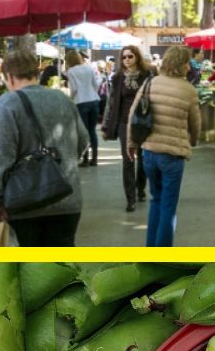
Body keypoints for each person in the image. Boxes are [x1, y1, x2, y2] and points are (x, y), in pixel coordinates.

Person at [0, 48, 88, 247]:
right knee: (62, 271)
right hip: (68, 199)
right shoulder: (63, 99)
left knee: (32, 271)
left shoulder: (9, 102)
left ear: (9, 77)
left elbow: (1, 155)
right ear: (37, 73)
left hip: (26, 202)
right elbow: (83, 141)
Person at [128, 45, 200, 246]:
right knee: (168, 205)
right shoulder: (189, 90)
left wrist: (131, 144)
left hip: (149, 153)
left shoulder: (150, 83)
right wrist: (192, 141)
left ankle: (151, 248)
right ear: (182, 64)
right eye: (187, 62)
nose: (189, 66)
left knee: (155, 200)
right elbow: (195, 124)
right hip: (173, 155)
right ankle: (163, 253)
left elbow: (133, 114)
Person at [103, 45, 153, 212]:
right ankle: (130, 198)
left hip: (142, 121)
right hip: (124, 123)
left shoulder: (147, 75)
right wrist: (106, 124)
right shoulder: (117, 78)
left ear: (137, 57)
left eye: (130, 56)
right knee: (127, 160)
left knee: (143, 158)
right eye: (124, 57)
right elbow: (110, 102)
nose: (127, 60)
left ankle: (140, 187)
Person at [65, 49, 102, 166]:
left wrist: (70, 98)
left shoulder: (71, 71)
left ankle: (85, 158)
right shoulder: (89, 68)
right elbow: (95, 85)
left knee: (83, 132)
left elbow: (74, 89)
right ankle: (95, 158)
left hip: (81, 102)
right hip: (94, 100)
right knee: (92, 131)